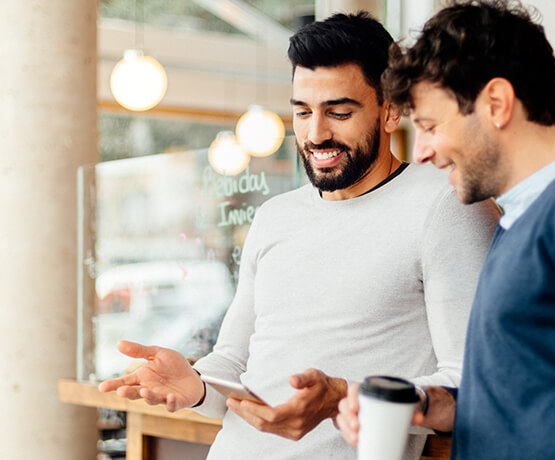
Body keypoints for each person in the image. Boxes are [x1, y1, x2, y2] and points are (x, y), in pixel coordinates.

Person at [97, 11, 500, 460]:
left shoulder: (445, 204)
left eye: (339, 112)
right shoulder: (275, 217)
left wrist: (343, 396)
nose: (315, 133)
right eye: (302, 112)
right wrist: (195, 384)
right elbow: (234, 361)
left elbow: (469, 383)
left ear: (390, 109)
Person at [337, 1, 555, 459]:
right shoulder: (522, 216)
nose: (421, 151)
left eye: (429, 125)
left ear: (497, 104)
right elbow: (525, 398)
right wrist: (426, 404)